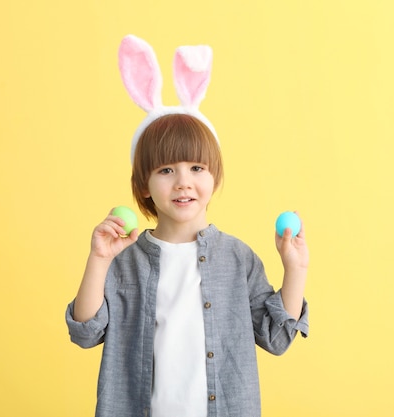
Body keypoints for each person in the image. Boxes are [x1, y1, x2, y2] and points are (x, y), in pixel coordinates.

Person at [66, 35, 309, 417]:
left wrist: (295, 269)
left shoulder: (238, 259)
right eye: (166, 170)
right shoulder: (124, 260)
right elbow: (85, 332)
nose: (183, 182)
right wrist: (98, 259)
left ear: (214, 177)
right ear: (144, 186)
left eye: (196, 168)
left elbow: (277, 339)